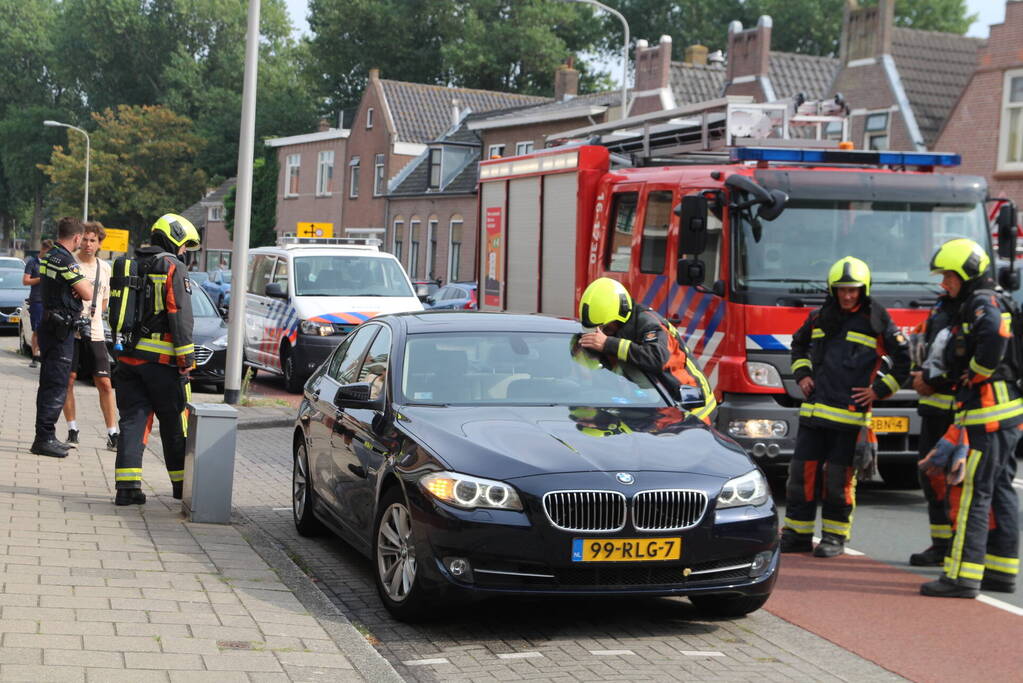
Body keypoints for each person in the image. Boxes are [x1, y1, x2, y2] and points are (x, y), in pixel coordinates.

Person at [783, 257, 910, 557]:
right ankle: (798, 535)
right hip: (814, 415)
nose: (847, 295)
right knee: (801, 475)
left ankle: (834, 537)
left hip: (850, 419)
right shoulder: (818, 317)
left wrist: (878, 390)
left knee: (838, 480)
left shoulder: (876, 320)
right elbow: (798, 345)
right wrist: (802, 375)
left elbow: (904, 361)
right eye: (842, 290)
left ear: (863, 290)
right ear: (833, 289)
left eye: (853, 290)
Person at [919, 238, 1021, 598]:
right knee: (1000, 488)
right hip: (1006, 411)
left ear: (967, 274)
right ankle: (1001, 571)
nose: (944, 282)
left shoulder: (980, 302)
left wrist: (976, 372)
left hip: (987, 411)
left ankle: (961, 577)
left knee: (971, 493)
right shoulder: (996, 299)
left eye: (949, 275)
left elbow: (994, 334)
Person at [112, 214, 198, 506]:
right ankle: (182, 488)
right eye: (185, 244)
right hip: (162, 362)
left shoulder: (131, 263)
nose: (184, 251)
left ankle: (127, 489)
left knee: (133, 421)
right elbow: (179, 313)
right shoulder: (172, 266)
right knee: (174, 424)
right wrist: (186, 359)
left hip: (128, 358)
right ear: (174, 238)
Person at [576, 277, 717, 424]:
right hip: (662, 408)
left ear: (621, 315)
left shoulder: (649, 324)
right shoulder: (620, 329)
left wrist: (608, 344)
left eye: (605, 327)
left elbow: (656, 358)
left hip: (694, 406)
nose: (602, 332)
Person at [32, 219, 93, 458]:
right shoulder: (66, 260)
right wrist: (78, 286)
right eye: (82, 239)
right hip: (60, 330)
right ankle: (44, 438)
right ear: (77, 238)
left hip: (49, 326)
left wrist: (73, 287)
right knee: (56, 383)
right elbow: (87, 292)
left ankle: (45, 435)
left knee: (49, 382)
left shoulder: (49, 256)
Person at [907, 293, 957, 566]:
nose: (943, 283)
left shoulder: (972, 308)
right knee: (931, 476)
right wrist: (919, 373)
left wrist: (930, 380)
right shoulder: (942, 306)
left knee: (957, 482)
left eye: (948, 276)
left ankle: (957, 548)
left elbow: (962, 361)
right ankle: (941, 546)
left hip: (957, 412)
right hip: (933, 409)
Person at [61, 222, 118, 450]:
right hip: (71, 330)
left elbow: (105, 300)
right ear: (78, 240)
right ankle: (72, 429)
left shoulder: (105, 268)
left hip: (94, 331)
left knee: (104, 382)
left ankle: (113, 433)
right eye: (84, 239)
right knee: (68, 380)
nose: (88, 244)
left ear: (99, 243)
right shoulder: (70, 263)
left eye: (93, 240)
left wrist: (94, 314)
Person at [22, 239, 53, 367]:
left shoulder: (51, 263)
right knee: (37, 329)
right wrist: (41, 278)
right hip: (37, 300)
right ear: (43, 249)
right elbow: (25, 281)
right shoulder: (32, 263)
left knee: (49, 330)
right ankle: (35, 356)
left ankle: (45, 355)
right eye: (48, 252)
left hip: (50, 301)